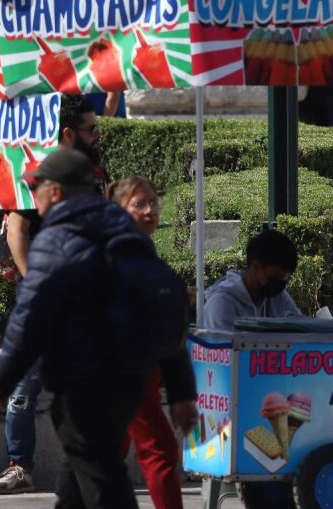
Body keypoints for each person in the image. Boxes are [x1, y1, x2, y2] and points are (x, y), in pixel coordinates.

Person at [0, 149, 193, 508]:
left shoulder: (58, 237)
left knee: (101, 475)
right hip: (130, 379)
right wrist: (180, 389)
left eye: (37, 187)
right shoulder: (128, 232)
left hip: (84, 382)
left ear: (58, 192)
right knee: (77, 471)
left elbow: (30, 316)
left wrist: (0, 383)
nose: (33, 196)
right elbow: (164, 309)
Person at [0, 94, 106, 496]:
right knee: (25, 386)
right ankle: (20, 466)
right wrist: (37, 286)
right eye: (92, 129)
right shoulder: (44, 173)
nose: (98, 135)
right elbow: (18, 230)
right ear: (69, 134)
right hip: (48, 302)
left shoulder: (93, 171)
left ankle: (89, 469)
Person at [109, 177, 197, 509]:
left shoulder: (142, 253)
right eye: (139, 204)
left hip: (137, 372)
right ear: (119, 210)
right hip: (123, 375)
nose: (150, 210)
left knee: (110, 454)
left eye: (153, 202)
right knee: (161, 450)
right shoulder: (118, 254)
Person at [200, 231, 302, 330]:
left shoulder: (277, 296)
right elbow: (221, 345)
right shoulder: (222, 304)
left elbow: (301, 328)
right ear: (256, 266)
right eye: (275, 277)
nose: (279, 283)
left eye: (283, 278)